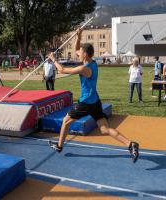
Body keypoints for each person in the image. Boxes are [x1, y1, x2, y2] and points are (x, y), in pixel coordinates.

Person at [47, 27, 139, 163]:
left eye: (80, 54)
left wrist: (53, 59)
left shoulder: (84, 69)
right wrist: (79, 35)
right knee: (105, 129)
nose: (78, 54)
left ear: (85, 55)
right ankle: (130, 144)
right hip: (95, 101)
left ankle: (60, 146)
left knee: (65, 122)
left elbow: (62, 70)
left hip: (86, 103)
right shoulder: (93, 62)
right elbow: (77, 49)